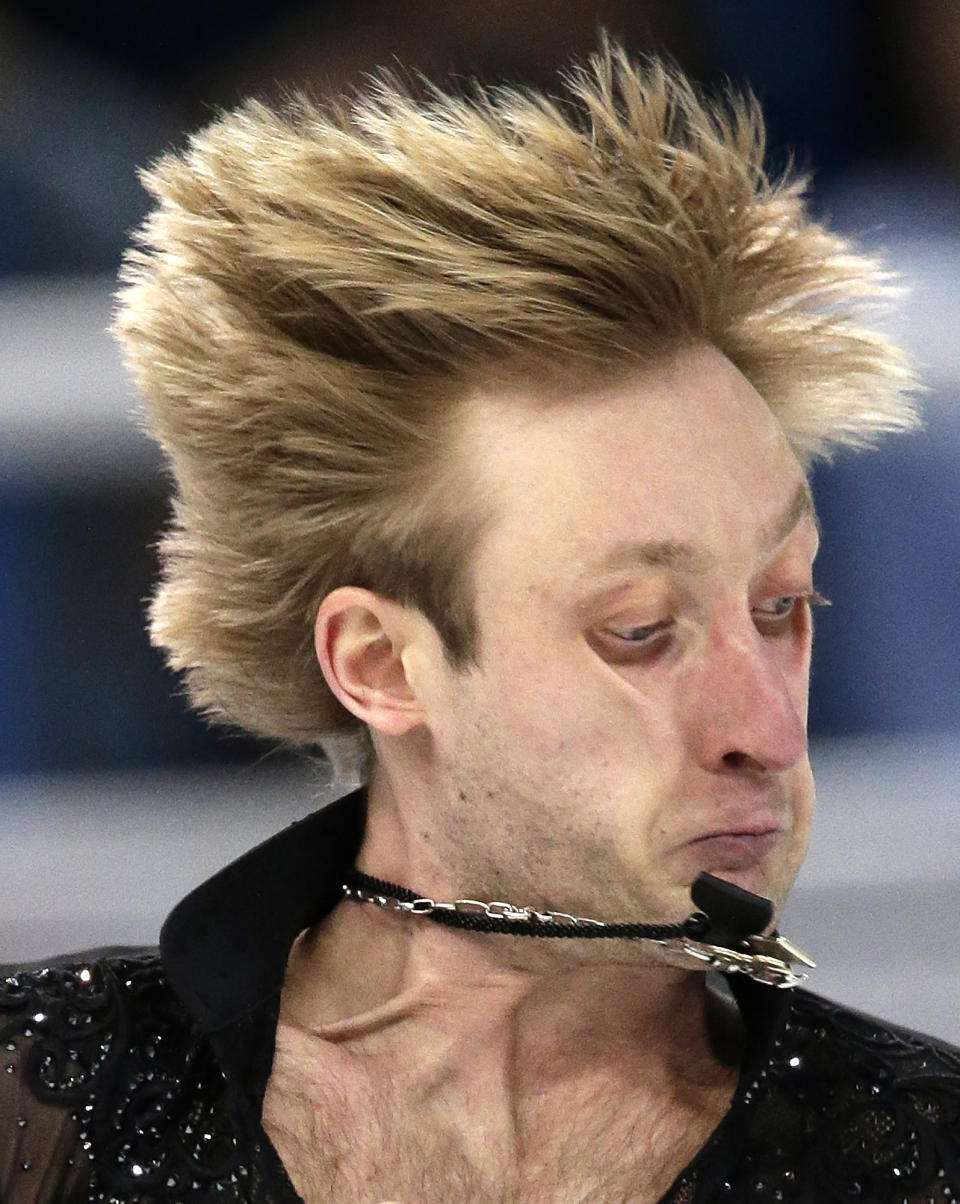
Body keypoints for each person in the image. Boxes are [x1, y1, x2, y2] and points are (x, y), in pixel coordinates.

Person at [2, 43, 957, 1204]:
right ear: (381, 665)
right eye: (642, 631)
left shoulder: (922, 1153)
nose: (764, 726)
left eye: (784, 605)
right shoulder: (48, 1089)